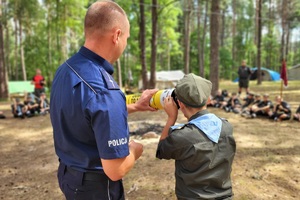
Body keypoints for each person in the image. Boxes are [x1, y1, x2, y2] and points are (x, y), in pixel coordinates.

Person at [50, 1, 158, 199]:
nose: (125, 44)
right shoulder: (106, 90)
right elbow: (115, 170)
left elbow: (85, 110)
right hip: (96, 189)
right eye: (126, 38)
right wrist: (134, 150)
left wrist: (133, 105)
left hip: (69, 176)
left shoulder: (65, 70)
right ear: (117, 36)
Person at [156, 73, 236, 199]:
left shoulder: (181, 137)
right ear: (207, 99)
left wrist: (172, 117)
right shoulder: (227, 127)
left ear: (180, 104)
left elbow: (161, 150)